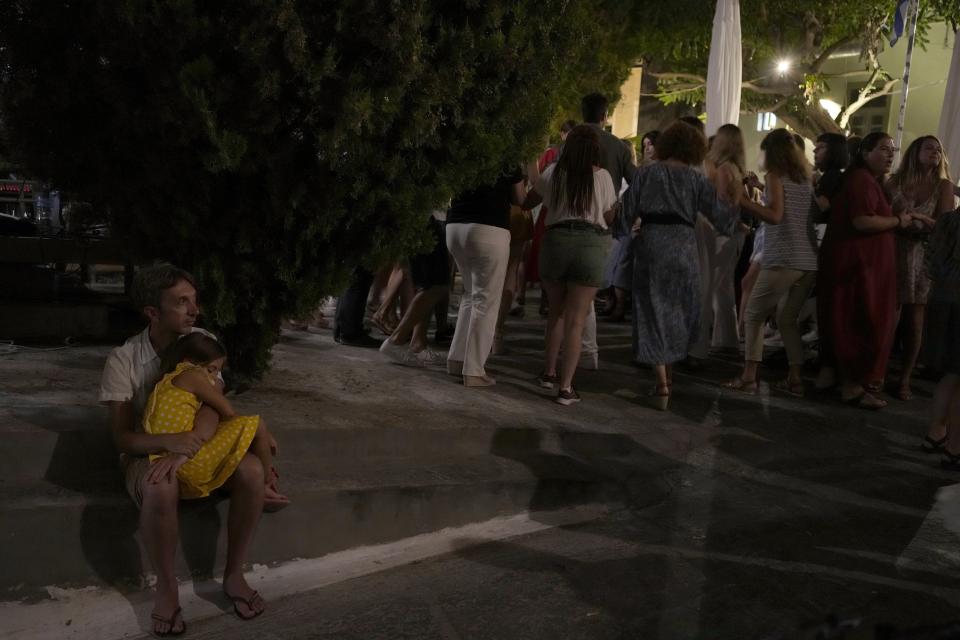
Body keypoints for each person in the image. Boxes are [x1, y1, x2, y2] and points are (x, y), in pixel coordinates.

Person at [99, 264, 283, 636]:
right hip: (146, 453)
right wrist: (169, 444)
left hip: (198, 445)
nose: (194, 310)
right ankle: (167, 589)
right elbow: (122, 438)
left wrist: (189, 446)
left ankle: (233, 574)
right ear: (152, 312)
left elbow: (214, 407)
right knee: (160, 484)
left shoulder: (201, 342)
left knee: (250, 470)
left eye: (194, 301)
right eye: (182, 302)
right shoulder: (124, 360)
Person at [620, 120, 741, 410]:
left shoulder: (646, 174)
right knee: (678, 309)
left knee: (651, 309)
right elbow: (722, 217)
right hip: (685, 245)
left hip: (652, 243)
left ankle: (662, 383)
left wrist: (619, 229)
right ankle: (669, 376)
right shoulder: (696, 179)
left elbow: (626, 212)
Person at [818, 132, 934, 410]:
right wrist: (898, 220)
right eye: (884, 149)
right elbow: (862, 221)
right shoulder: (860, 180)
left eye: (893, 150)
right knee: (860, 324)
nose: (890, 155)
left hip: (863, 266)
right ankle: (853, 387)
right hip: (857, 268)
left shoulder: (868, 180)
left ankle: (842, 379)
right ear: (865, 152)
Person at [527, 124, 618, 404]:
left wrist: (531, 156)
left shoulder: (554, 172)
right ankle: (566, 388)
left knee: (556, 313)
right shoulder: (602, 177)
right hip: (590, 245)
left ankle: (549, 372)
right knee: (577, 321)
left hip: (556, 241)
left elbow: (535, 193)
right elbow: (610, 217)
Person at [725, 129, 818, 395]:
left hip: (784, 258)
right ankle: (795, 379)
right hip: (808, 260)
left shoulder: (775, 175)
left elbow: (775, 216)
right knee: (787, 319)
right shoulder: (804, 179)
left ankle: (748, 377)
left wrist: (741, 199)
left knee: (754, 314)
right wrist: (761, 190)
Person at [145, 333, 278, 500]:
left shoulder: (167, 383)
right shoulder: (192, 375)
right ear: (189, 362)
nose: (215, 378)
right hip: (187, 461)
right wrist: (264, 434)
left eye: (218, 372)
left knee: (217, 421)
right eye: (211, 370)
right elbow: (228, 411)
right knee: (257, 424)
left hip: (167, 458)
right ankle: (265, 484)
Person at [886, 135, 955, 400]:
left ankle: (904, 379)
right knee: (889, 316)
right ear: (915, 152)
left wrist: (916, 218)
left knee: (915, 321)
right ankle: (877, 374)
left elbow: (943, 226)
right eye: (929, 148)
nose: (935, 152)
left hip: (923, 257)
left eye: (939, 149)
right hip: (894, 251)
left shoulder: (944, 186)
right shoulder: (895, 182)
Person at [444, 167, 525, 386]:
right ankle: (473, 370)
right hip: (489, 228)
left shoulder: (467, 142)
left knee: (470, 295)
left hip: (455, 226)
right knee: (485, 301)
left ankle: (457, 359)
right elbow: (520, 198)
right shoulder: (509, 154)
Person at [380, 213, 451, 368]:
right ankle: (396, 340)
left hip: (424, 219)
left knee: (430, 286)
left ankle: (418, 344)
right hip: (423, 219)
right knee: (435, 286)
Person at [920, 207, 960, 467]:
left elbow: (931, 263)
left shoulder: (949, 219)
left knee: (951, 373)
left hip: (943, 298)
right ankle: (955, 448)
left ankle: (936, 433)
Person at [811, 132, 850, 392]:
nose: (815, 152)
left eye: (821, 148)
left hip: (825, 239)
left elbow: (823, 207)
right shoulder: (834, 176)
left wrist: (808, 188)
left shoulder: (833, 177)